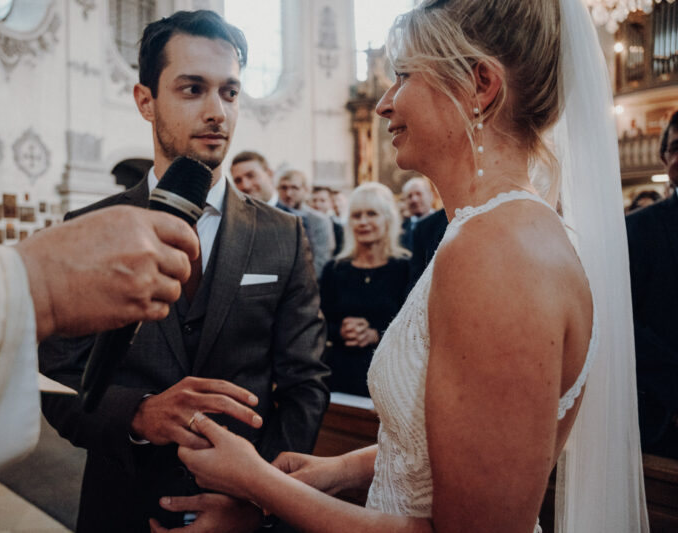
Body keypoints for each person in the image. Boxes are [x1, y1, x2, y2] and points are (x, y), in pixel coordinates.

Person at [173, 1, 648, 532]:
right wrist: (336, 471)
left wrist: (259, 484)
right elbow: (467, 445)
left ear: (480, 86)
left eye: (402, 76)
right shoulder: (492, 231)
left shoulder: (499, 253)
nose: (383, 104)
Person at [38, 11, 329, 533]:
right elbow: (57, 382)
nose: (217, 112)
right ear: (145, 100)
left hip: (242, 511)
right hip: (122, 507)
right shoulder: (90, 229)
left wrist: (261, 496)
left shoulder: (281, 234)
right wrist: (138, 413)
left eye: (230, 92)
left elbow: (305, 383)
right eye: (193, 89)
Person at [0, 205, 199, 532]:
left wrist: (239, 502)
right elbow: (60, 378)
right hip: (118, 500)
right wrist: (38, 285)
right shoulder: (94, 218)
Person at [319, 182, 412, 397]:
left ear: (388, 219)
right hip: (340, 376)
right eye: (356, 215)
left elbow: (414, 328)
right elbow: (319, 323)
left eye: (371, 214)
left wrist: (376, 335)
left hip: (391, 377)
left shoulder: (405, 268)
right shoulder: (334, 269)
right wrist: (340, 331)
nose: (363, 222)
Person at [626, 109, 678, 459]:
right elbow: (626, 321)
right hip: (663, 415)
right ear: (664, 159)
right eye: (677, 147)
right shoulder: (638, 229)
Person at [276, 169, 335, 277]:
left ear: (305, 190)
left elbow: (321, 261)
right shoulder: (270, 218)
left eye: (294, 188)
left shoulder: (319, 221)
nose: (288, 194)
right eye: (284, 188)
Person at [399, 176, 436, 252]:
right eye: (409, 196)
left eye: (418, 194)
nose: (414, 200)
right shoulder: (401, 229)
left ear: (430, 196)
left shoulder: (445, 222)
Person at [310, 186, 344, 256]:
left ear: (330, 203)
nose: (317, 205)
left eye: (322, 201)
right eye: (314, 200)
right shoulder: (303, 224)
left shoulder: (338, 229)